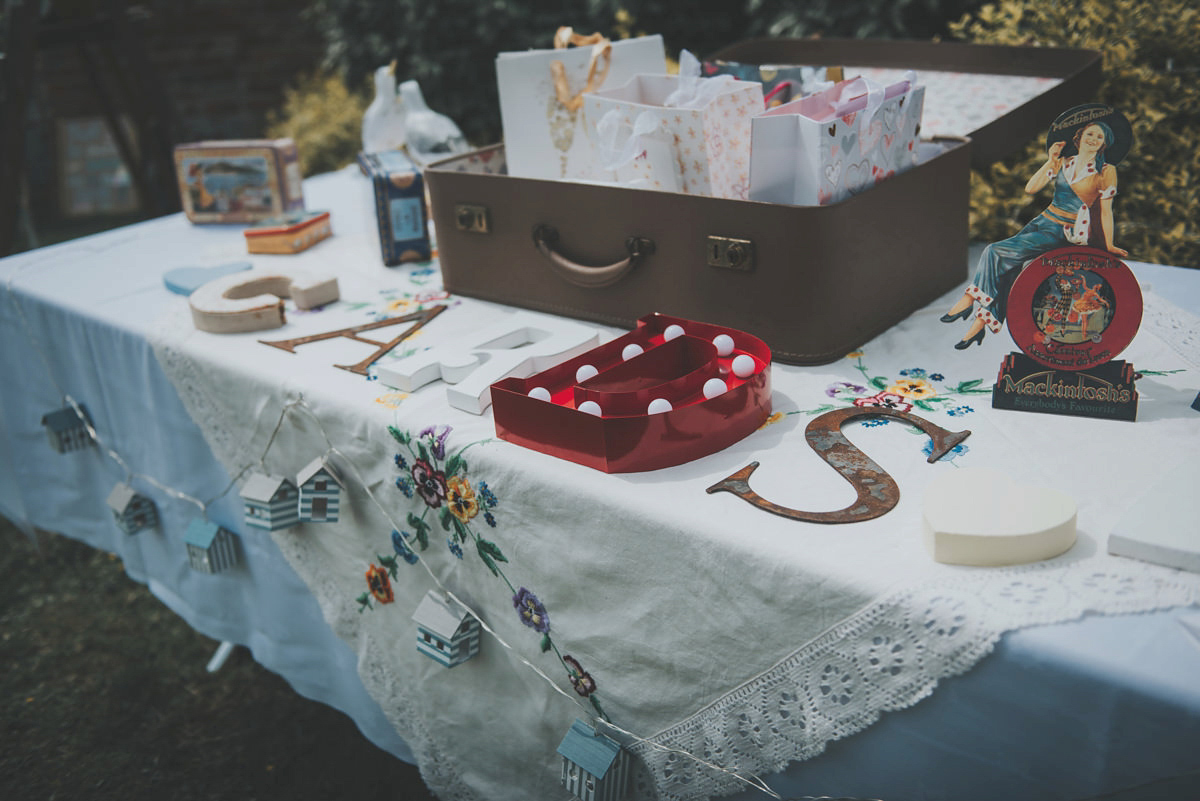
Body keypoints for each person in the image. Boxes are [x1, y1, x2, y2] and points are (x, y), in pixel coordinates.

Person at [941, 106, 1131, 349]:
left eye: (1099, 137)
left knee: (994, 251)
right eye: (1090, 134)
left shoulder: (1106, 171)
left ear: (1105, 143)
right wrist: (1050, 161)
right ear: (1079, 137)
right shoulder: (1065, 161)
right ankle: (979, 326)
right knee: (1008, 268)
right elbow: (1031, 188)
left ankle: (968, 299)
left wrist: (1109, 243)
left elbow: (1106, 211)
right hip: (1042, 221)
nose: (1093, 140)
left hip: (1063, 231)